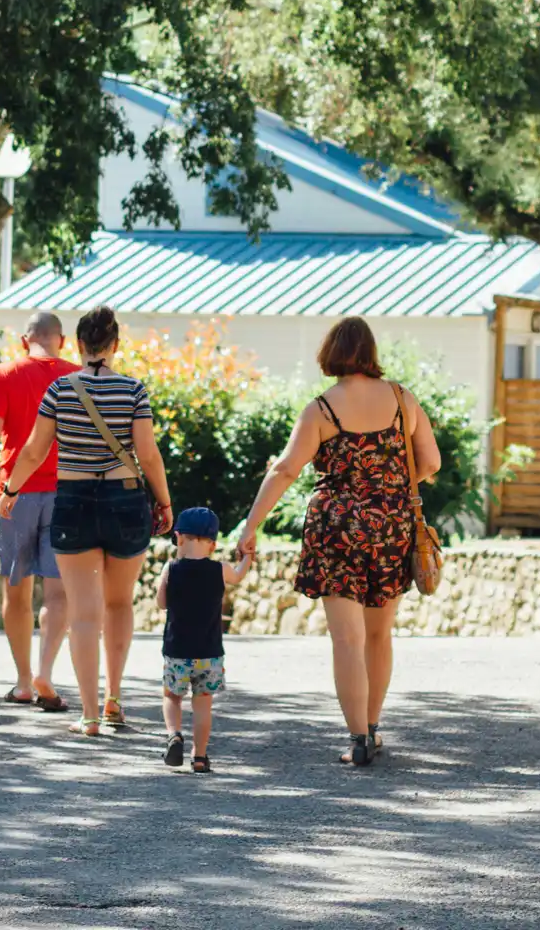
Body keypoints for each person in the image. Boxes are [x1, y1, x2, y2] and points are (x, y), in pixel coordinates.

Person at [237, 316, 440, 767]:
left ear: (331, 353)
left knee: (346, 640)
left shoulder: (321, 410)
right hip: (391, 526)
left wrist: (250, 525)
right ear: (370, 353)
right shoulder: (404, 401)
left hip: (336, 530)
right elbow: (431, 461)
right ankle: (372, 726)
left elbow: (286, 469)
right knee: (378, 635)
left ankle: (357, 741)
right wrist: (386, 489)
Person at [2, 305, 174, 737]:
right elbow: (148, 455)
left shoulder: (60, 389)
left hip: (74, 500)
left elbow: (35, 450)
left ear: (77, 345)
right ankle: (115, 697)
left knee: (83, 612)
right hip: (125, 500)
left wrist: (10, 491)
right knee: (119, 604)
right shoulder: (133, 391)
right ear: (115, 345)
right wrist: (166, 502)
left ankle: (90, 714)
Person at [0, 312, 78, 712]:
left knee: (17, 593)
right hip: (67, 495)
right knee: (57, 592)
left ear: (23, 340)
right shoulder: (77, 376)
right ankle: (45, 671)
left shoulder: (4, 373)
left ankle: (22, 682)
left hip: (16, 494)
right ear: (61, 341)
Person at [156, 506, 253, 773]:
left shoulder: (171, 568)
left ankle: (174, 734)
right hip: (209, 653)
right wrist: (246, 557)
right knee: (203, 703)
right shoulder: (220, 569)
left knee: (172, 696)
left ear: (179, 538)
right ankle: (200, 756)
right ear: (212, 545)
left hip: (177, 651)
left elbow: (161, 603)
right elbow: (239, 575)